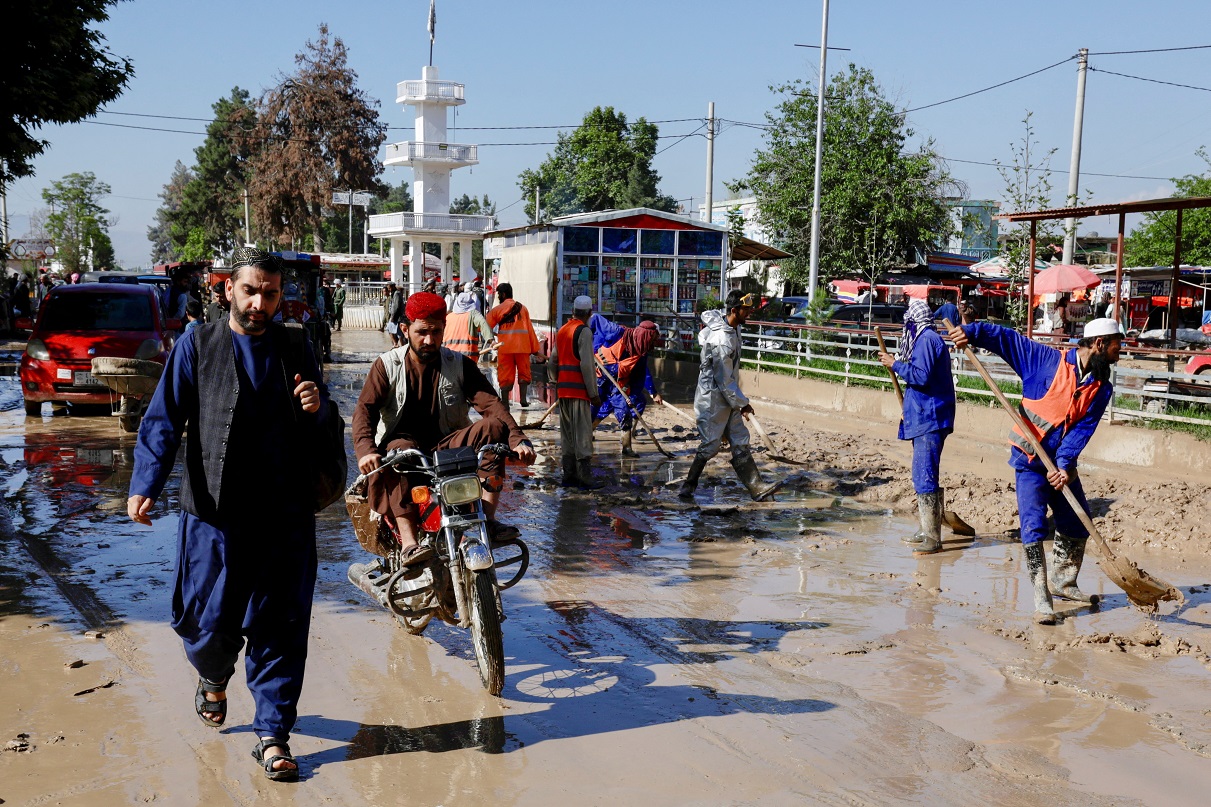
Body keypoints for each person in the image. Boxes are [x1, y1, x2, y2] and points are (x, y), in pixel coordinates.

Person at [127, 247, 329, 782]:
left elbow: (322, 419)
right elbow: (164, 418)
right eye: (251, 290)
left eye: (271, 293)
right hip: (214, 516)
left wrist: (316, 406)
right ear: (227, 291)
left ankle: (273, 733)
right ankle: (213, 675)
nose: (261, 302)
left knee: (281, 624)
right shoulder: (198, 344)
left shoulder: (295, 345)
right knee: (205, 622)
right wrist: (145, 483)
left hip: (284, 514)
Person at [947, 317, 1123, 624]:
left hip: (1060, 465)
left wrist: (1065, 466)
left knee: (1076, 522)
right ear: (1098, 344)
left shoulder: (1101, 387)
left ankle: (1064, 583)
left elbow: (1083, 430)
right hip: (1029, 460)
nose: (1120, 352)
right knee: (1033, 527)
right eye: (1116, 346)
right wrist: (971, 333)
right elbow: (1006, 338)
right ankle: (1042, 596)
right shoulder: (1046, 360)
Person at [351, 291, 536, 558]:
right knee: (396, 452)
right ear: (405, 329)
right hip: (406, 449)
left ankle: (488, 519)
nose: (429, 340)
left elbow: (491, 404)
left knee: (494, 428)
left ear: (444, 329)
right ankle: (409, 543)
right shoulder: (386, 365)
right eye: (422, 332)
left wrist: (518, 440)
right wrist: (366, 450)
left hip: (447, 447)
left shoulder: (458, 363)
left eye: (436, 332)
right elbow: (364, 411)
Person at [678, 291, 778, 501]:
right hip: (712, 397)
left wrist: (738, 402)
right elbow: (723, 379)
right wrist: (743, 404)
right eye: (746, 309)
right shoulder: (722, 340)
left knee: (740, 438)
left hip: (728, 393)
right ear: (734, 311)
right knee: (711, 445)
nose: (750, 312)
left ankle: (756, 487)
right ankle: (688, 486)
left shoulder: (734, 328)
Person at [878, 300, 955, 554]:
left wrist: (895, 364)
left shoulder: (927, 341)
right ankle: (926, 529)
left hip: (930, 417)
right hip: (923, 414)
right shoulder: (926, 339)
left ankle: (932, 537)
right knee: (922, 473)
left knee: (925, 474)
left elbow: (920, 376)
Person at [549, 296, 602, 488]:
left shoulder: (563, 329)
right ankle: (584, 477)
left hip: (563, 391)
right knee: (582, 435)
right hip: (579, 392)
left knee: (568, 434)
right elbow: (587, 365)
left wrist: (555, 381)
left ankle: (568, 476)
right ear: (589, 313)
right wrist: (593, 393)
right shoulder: (584, 331)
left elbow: (553, 360)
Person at [593, 319, 663, 457]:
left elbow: (639, 377)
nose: (653, 344)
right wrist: (590, 349)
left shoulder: (642, 352)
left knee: (624, 412)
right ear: (645, 336)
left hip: (618, 384)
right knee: (593, 407)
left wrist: (633, 395)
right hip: (600, 376)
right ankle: (584, 437)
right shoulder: (617, 332)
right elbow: (595, 319)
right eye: (653, 339)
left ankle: (626, 447)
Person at [486, 282, 543, 411]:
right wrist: (534, 349)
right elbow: (530, 330)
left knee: (505, 375)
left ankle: (505, 402)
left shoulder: (497, 310)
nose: (498, 296)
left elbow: (483, 326)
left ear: (503, 294)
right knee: (524, 372)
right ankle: (523, 400)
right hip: (522, 347)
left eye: (499, 294)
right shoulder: (523, 308)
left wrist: (493, 337)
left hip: (505, 348)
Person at [444, 283, 494, 362]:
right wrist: (491, 340)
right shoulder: (473, 314)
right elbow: (483, 323)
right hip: (467, 358)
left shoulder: (448, 317)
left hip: (449, 357)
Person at [385, 283, 405, 348]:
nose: (389, 290)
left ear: (393, 287)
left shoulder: (396, 294)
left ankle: (398, 345)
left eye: (389, 288)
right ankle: (397, 344)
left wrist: (393, 316)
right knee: (394, 331)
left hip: (397, 317)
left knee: (397, 333)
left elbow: (396, 306)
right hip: (396, 316)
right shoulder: (394, 294)